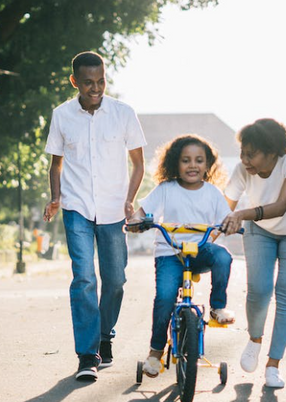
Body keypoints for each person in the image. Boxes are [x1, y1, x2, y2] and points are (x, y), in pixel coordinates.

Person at [43, 51, 146, 381]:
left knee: (115, 280)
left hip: (114, 209)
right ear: (75, 82)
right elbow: (56, 164)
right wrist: (56, 198)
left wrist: (130, 200)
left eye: (101, 81)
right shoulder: (62, 115)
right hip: (76, 208)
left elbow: (138, 163)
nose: (96, 88)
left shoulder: (123, 113)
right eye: (88, 83)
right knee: (84, 277)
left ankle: (105, 336)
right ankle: (87, 355)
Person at [221, 118, 286, 389]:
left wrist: (241, 214)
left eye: (251, 154)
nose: (245, 160)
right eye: (243, 152)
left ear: (272, 152)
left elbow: (282, 205)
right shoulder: (242, 170)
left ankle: (273, 365)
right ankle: (254, 340)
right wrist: (208, 235)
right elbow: (223, 208)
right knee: (259, 290)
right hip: (260, 231)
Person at [130, 135, 235, 378]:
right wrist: (137, 220)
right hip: (170, 252)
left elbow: (225, 218)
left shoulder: (212, 192)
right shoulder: (166, 189)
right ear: (175, 164)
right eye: (185, 160)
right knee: (165, 297)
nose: (192, 165)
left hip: (200, 250)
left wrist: (230, 224)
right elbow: (142, 212)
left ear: (207, 165)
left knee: (223, 257)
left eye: (199, 160)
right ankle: (155, 353)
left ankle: (217, 307)